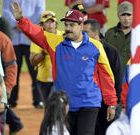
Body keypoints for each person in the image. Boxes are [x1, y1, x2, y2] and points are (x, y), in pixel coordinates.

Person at [12, 3, 117, 135]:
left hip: (89, 102)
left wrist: (111, 103)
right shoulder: (56, 42)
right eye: (66, 25)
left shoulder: (95, 46)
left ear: (80, 26)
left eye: (72, 25)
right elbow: (35, 33)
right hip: (64, 104)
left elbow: (106, 76)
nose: (68, 28)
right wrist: (21, 20)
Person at [2, 0, 45, 108]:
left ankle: (39, 100)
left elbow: (40, 13)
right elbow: (5, 12)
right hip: (14, 38)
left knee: (34, 70)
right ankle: (11, 100)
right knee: (13, 70)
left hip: (31, 39)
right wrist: (17, 24)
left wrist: (25, 25)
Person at [83, 19, 123, 135]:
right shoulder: (82, 49)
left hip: (106, 103)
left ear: (95, 33)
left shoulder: (111, 52)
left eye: (86, 32)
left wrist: (114, 104)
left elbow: (117, 78)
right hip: (88, 101)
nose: (82, 35)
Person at [30, 11, 64, 104]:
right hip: (44, 80)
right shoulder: (38, 39)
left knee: (57, 106)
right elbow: (33, 61)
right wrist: (43, 53)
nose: (50, 24)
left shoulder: (63, 36)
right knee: (49, 108)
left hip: (60, 79)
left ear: (56, 24)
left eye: (52, 21)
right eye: (47, 22)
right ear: (42, 25)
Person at [105, 1, 132, 69]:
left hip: (133, 74)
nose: (126, 18)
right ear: (118, 15)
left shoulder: (139, 34)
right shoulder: (110, 33)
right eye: (123, 15)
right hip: (114, 73)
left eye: (129, 15)